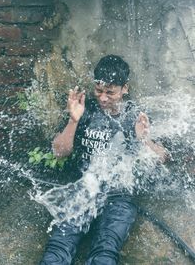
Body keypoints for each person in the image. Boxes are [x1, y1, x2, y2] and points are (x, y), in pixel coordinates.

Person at [40, 55, 168, 265]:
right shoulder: (85, 109)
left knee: (105, 250)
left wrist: (144, 140)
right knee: (58, 245)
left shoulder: (135, 115)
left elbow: (162, 157)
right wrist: (73, 120)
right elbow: (59, 152)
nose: (103, 98)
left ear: (124, 88)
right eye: (99, 91)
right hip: (84, 188)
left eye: (110, 92)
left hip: (119, 195)